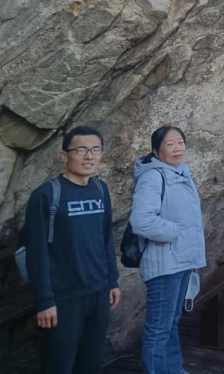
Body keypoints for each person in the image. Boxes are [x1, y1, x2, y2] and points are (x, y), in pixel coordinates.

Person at [23, 126, 121, 374]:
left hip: (98, 292)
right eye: (81, 150)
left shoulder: (100, 189)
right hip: (63, 298)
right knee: (59, 366)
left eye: (95, 150)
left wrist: (112, 281)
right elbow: (36, 252)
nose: (89, 156)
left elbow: (105, 239)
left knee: (90, 364)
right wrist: (44, 300)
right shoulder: (46, 195)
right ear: (64, 155)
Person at [130, 126, 206, 374]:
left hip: (181, 260)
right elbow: (141, 221)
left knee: (171, 322)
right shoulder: (153, 177)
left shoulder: (181, 172)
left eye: (180, 142)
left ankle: (175, 370)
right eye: (170, 144)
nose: (177, 148)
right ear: (156, 151)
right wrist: (174, 232)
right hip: (164, 264)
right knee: (159, 328)